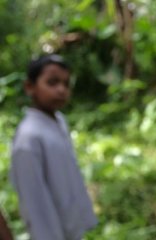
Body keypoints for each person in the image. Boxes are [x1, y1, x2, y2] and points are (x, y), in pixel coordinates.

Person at [10, 54, 97, 240]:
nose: (61, 90)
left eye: (66, 84)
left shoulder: (59, 121)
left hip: (70, 229)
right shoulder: (29, 138)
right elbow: (35, 204)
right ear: (30, 87)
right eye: (52, 82)